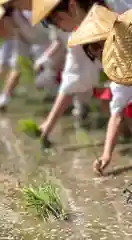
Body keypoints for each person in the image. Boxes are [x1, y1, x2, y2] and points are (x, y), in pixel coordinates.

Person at [68, 4, 132, 175]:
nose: (98, 53)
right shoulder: (120, 72)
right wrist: (106, 155)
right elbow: (116, 115)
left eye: (100, 47)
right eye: (93, 50)